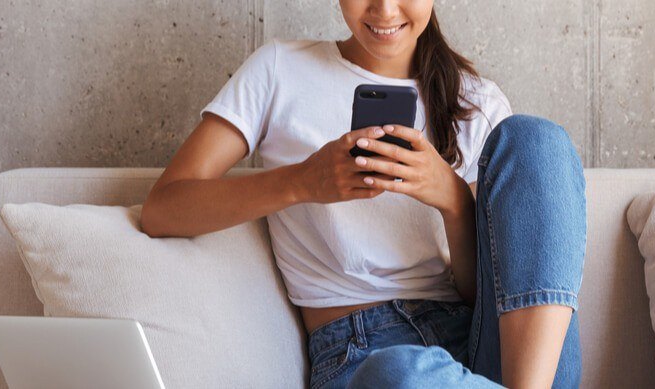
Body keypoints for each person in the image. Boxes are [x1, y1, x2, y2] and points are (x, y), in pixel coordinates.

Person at [139, 1, 586, 388]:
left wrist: (450, 198)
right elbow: (163, 210)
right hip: (363, 359)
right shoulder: (279, 70)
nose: (385, 10)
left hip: (502, 355)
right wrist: (302, 181)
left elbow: (479, 292)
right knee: (398, 372)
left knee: (536, 139)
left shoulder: (477, 102)